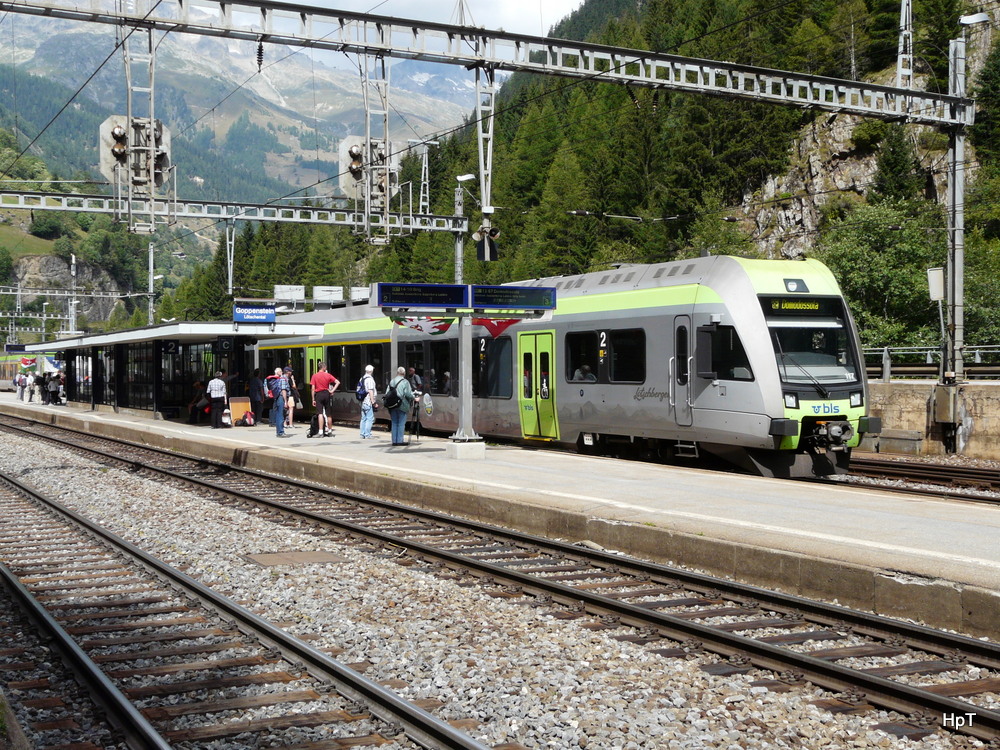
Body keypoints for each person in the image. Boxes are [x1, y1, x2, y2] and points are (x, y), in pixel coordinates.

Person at [309, 362, 340, 437]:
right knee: (328, 414)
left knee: (320, 413)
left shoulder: (314, 376)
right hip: (326, 394)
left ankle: (320, 432)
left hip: (319, 394)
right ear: (324, 367)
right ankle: (330, 431)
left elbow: (313, 388)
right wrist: (332, 391)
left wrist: (313, 399)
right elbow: (337, 382)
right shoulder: (328, 375)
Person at [387, 366, 414, 446]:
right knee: (401, 423)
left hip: (392, 405)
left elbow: (387, 392)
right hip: (402, 405)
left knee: (394, 422)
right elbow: (408, 394)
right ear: (404, 373)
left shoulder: (392, 381)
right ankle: (399, 441)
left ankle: (394, 441)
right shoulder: (405, 382)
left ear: (397, 373)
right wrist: (414, 397)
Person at [269, 367, 291, 437]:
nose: (282, 372)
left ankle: (279, 431)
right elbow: (283, 390)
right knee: (280, 415)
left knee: (279, 414)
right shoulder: (283, 379)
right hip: (281, 398)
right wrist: (286, 401)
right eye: (281, 371)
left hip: (278, 397)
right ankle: (280, 432)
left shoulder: (279, 379)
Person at [359, 364, 378, 439]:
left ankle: (362, 434)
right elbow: (370, 391)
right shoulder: (370, 379)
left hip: (363, 401)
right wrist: (373, 402)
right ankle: (367, 434)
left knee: (363, 418)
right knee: (370, 418)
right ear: (371, 371)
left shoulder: (362, 378)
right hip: (368, 401)